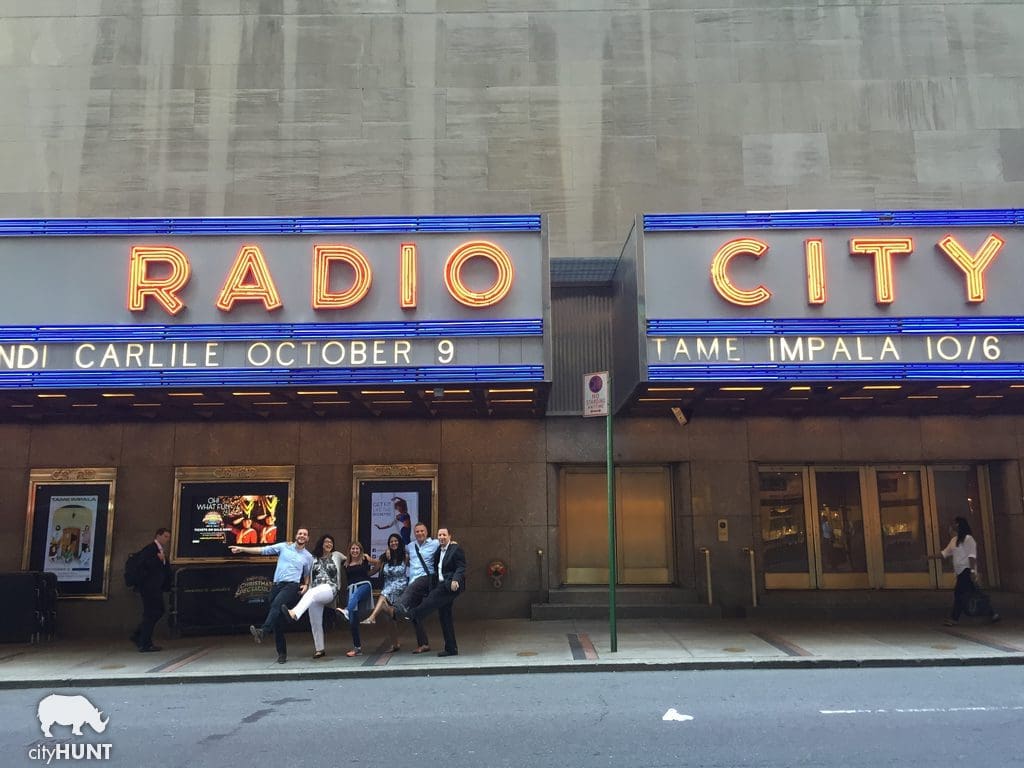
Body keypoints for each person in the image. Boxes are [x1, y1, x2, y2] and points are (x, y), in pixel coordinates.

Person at [230, 527, 313, 664]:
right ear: (296, 536)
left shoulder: (308, 557)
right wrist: (242, 549)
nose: (302, 536)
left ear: (308, 538)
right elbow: (263, 550)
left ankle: (263, 631)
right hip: (276, 585)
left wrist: (306, 585)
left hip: (291, 585)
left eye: (305, 534)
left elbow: (306, 574)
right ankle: (282, 653)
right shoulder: (284, 547)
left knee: (276, 604)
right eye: (300, 533)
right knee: (277, 621)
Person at [403, 527, 466, 657]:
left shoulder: (455, 549)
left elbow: (461, 566)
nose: (442, 537)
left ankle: (415, 613)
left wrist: (456, 579)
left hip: (450, 585)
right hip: (440, 583)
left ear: (449, 536)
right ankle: (451, 648)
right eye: (439, 535)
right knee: (445, 617)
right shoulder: (438, 550)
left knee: (432, 597)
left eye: (444, 535)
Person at [282, 534, 345, 658]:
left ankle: (294, 613)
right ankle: (320, 649)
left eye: (331, 542)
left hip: (330, 589)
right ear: (321, 544)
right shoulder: (312, 558)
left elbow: (352, 556)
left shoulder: (337, 555)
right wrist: (291, 546)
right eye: (326, 542)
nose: (329, 544)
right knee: (315, 621)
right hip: (315, 592)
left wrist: (365, 556)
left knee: (311, 593)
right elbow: (300, 560)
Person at [931, 516, 1000, 626]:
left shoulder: (968, 539)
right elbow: (944, 553)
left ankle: (954, 618)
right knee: (975, 593)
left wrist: (972, 571)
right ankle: (992, 613)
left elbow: (972, 556)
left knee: (959, 594)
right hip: (959, 572)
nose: (951, 527)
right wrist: (930, 557)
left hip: (966, 571)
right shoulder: (954, 540)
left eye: (954, 524)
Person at [392, 522, 439, 654]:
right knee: (415, 614)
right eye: (417, 531)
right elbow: (398, 548)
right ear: (414, 533)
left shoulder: (434, 543)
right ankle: (423, 644)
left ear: (426, 532)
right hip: (413, 581)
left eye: (422, 531)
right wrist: (388, 551)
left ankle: (399, 606)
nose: (419, 533)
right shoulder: (411, 546)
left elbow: (446, 543)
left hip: (426, 579)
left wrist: (453, 543)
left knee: (411, 590)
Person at [360, 533, 410, 653]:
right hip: (388, 586)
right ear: (388, 544)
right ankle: (395, 644)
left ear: (400, 542)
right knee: (389, 618)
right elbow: (373, 570)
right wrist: (360, 574)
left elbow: (416, 565)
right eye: (391, 541)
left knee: (383, 595)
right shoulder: (384, 558)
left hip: (400, 586)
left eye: (396, 541)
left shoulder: (405, 556)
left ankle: (372, 617)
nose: (394, 543)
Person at [130, 527, 172, 653]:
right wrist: (159, 560)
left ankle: (139, 635)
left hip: (155, 587)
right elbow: (144, 566)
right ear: (158, 536)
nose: (167, 539)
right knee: (152, 613)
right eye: (165, 536)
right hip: (149, 588)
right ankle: (144, 642)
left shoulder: (159, 550)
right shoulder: (150, 549)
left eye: (168, 537)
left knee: (157, 611)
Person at [335, 541, 380, 657]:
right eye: (353, 549)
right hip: (351, 588)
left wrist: (370, 571)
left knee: (355, 596)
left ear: (360, 550)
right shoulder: (346, 563)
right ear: (349, 550)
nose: (355, 551)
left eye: (357, 549)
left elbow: (378, 563)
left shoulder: (364, 559)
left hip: (364, 585)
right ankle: (357, 648)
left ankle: (346, 610)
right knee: (352, 621)